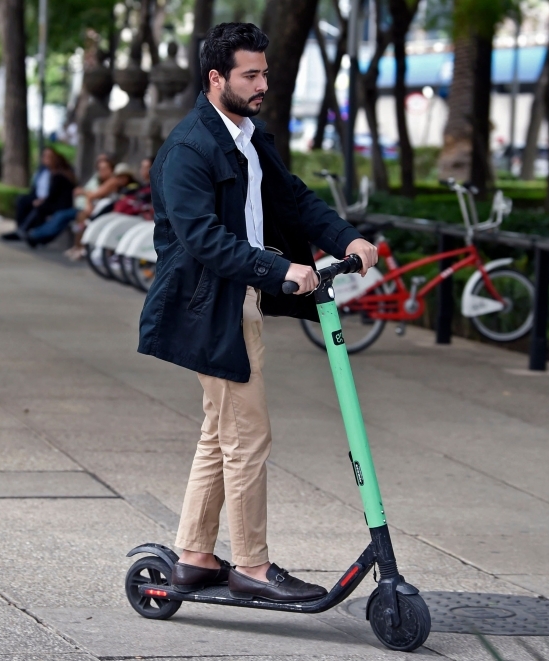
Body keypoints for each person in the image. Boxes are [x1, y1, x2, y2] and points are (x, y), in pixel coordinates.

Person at [138, 23, 378, 602]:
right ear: (216, 77)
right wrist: (280, 271)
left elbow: (293, 199)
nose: (262, 83)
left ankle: (194, 554)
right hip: (206, 308)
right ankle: (251, 565)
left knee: (220, 433)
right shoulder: (190, 148)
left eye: (265, 73)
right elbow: (203, 239)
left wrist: (346, 238)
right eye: (251, 74)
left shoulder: (248, 137)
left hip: (237, 301)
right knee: (248, 436)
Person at [27, 159, 133, 247]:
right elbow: (90, 195)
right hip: (88, 208)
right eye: (100, 169)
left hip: (94, 211)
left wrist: (85, 197)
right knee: (63, 217)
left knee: (65, 217)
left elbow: (93, 195)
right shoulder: (99, 180)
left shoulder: (111, 181)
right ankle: (40, 236)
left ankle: (36, 235)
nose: (101, 171)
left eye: (105, 169)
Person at [1, 147, 75, 241]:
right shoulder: (43, 171)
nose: (45, 159)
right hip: (45, 198)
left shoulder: (59, 175)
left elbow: (54, 195)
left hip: (59, 204)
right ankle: (22, 230)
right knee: (22, 201)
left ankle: (31, 233)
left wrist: (42, 201)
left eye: (48, 157)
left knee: (40, 207)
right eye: (44, 156)